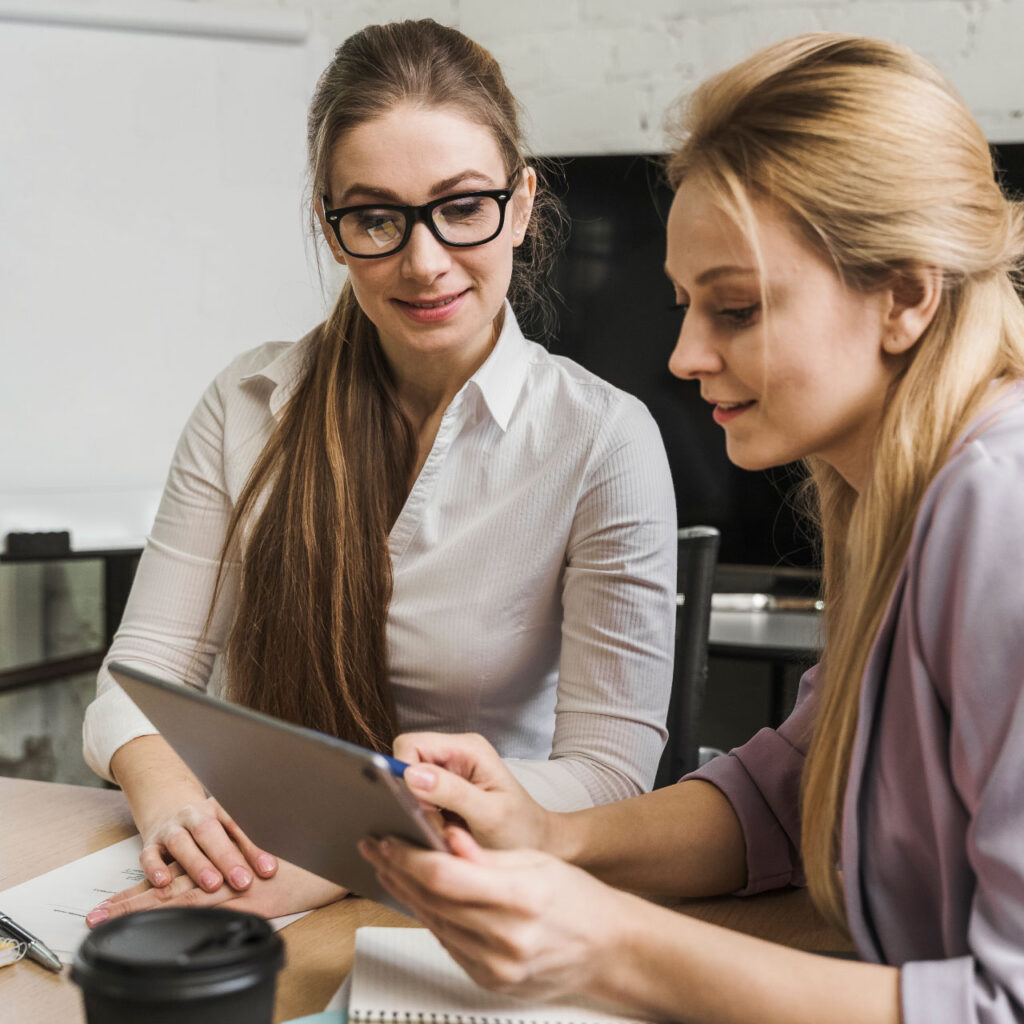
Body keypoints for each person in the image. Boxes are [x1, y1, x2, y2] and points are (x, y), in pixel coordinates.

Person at [357, 33, 1024, 1024]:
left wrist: (608, 946)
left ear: (905, 294)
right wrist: (548, 837)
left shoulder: (998, 509)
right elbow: (786, 798)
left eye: (737, 308)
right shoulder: (896, 499)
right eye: (683, 304)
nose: (681, 354)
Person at [81, 19, 677, 925]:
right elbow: (135, 683)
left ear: (519, 205)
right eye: (376, 218)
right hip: (248, 871)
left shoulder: (603, 441)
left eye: (461, 207)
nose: (424, 260)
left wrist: (340, 852)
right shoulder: (245, 406)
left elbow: (608, 776)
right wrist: (174, 803)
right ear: (332, 229)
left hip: (462, 894)